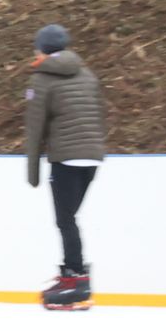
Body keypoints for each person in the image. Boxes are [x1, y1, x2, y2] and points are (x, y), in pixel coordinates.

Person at [22, 23, 106, 311]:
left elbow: (35, 129)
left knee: (65, 220)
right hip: (93, 156)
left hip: (67, 159)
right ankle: (74, 275)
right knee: (70, 219)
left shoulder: (42, 80)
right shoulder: (88, 75)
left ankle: (75, 281)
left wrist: (32, 172)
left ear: (42, 49)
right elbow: (98, 114)